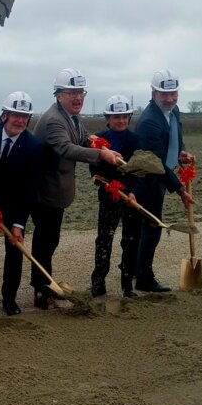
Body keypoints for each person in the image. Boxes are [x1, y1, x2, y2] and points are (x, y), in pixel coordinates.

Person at [30, 68, 123, 310]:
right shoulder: (53, 120)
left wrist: (97, 144)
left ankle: (46, 284)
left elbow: (79, 139)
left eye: (81, 92)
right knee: (44, 242)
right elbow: (65, 148)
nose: (78, 97)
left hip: (57, 190)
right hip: (45, 191)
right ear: (58, 95)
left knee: (50, 240)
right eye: (72, 92)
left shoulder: (72, 116)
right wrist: (100, 154)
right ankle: (41, 292)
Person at [0, 92, 42, 316]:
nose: (21, 121)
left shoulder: (33, 147)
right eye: (16, 115)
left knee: (14, 251)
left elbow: (29, 189)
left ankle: (9, 298)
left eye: (25, 116)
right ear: (4, 116)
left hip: (13, 204)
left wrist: (19, 224)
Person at [134, 70, 195, 292]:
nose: (170, 99)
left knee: (149, 228)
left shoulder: (174, 111)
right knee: (151, 227)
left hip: (162, 175)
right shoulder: (150, 121)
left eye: (173, 93)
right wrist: (180, 189)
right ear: (153, 93)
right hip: (148, 179)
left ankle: (135, 270)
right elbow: (157, 163)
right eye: (164, 94)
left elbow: (176, 138)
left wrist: (182, 152)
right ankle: (143, 278)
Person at [89, 95, 142, 298]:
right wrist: (100, 179)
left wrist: (134, 192)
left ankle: (127, 285)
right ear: (108, 118)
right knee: (104, 238)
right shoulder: (99, 140)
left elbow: (140, 171)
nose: (121, 120)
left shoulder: (136, 141)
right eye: (116, 116)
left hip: (131, 197)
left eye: (124, 116)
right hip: (109, 196)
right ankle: (98, 282)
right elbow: (93, 165)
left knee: (130, 240)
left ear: (129, 118)